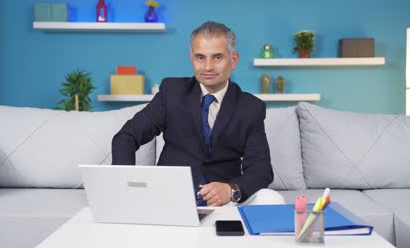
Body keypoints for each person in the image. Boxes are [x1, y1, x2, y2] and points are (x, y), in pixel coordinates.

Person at [112, 21, 285, 206]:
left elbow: (260, 170)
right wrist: (126, 185)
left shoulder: (251, 107)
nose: (208, 67)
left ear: (233, 60)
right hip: (170, 196)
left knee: (271, 199)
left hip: (224, 202)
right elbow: (126, 137)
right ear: (191, 58)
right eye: (200, 57)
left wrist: (231, 190)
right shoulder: (171, 92)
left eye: (217, 57)